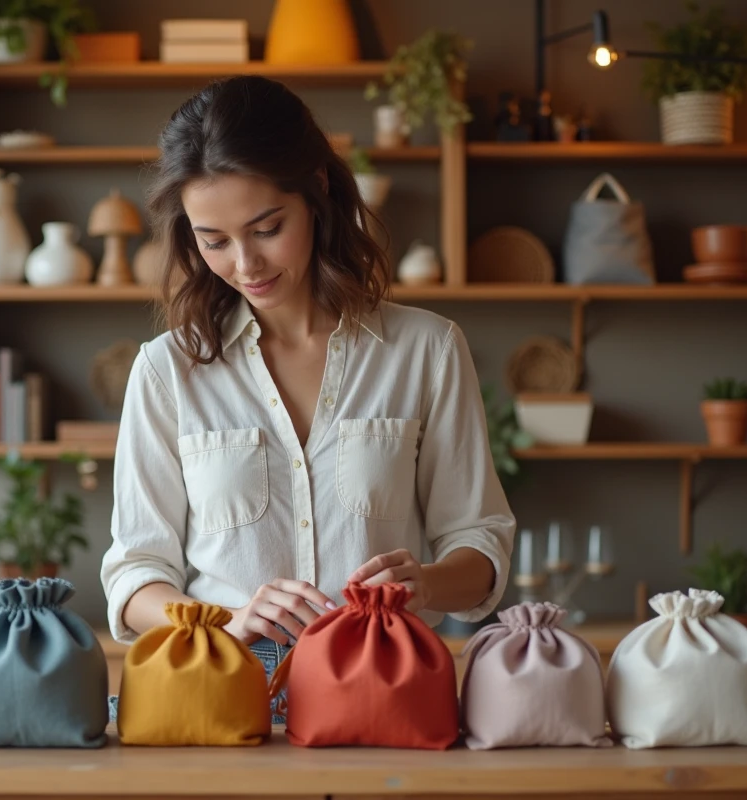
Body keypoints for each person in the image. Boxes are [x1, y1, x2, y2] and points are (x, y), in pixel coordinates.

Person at [100, 75, 515, 721]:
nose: (245, 264)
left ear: (317, 189)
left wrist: (425, 583)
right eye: (214, 241)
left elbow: (480, 542)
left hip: (382, 698)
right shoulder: (166, 369)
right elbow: (133, 576)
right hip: (223, 701)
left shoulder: (426, 350)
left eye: (267, 228)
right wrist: (226, 619)